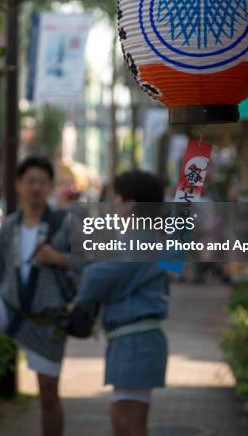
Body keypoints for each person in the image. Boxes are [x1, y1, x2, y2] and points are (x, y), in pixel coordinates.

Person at [0, 156, 85, 436]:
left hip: (47, 319)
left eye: (42, 182)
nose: (36, 187)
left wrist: (58, 258)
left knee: (48, 396)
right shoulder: (9, 225)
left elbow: (89, 264)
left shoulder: (67, 223)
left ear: (50, 187)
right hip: (9, 306)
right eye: (30, 181)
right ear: (19, 184)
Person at [75, 170, 169, 436]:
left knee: (127, 422)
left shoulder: (140, 239)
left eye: (114, 198)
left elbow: (97, 277)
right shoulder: (141, 236)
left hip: (135, 341)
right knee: (124, 420)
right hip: (133, 339)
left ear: (129, 202)